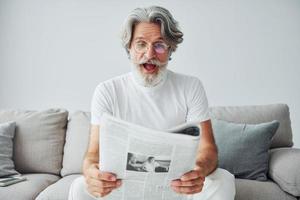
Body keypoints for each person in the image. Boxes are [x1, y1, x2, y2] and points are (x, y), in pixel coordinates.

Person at [68, 5, 235, 200]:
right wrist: (92, 175)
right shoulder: (107, 91)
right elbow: (93, 155)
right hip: (123, 187)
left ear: (170, 49)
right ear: (129, 47)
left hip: (176, 188)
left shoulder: (191, 86)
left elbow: (208, 149)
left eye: (159, 45)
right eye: (141, 44)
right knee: (80, 187)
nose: (150, 54)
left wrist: (197, 172)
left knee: (223, 181)